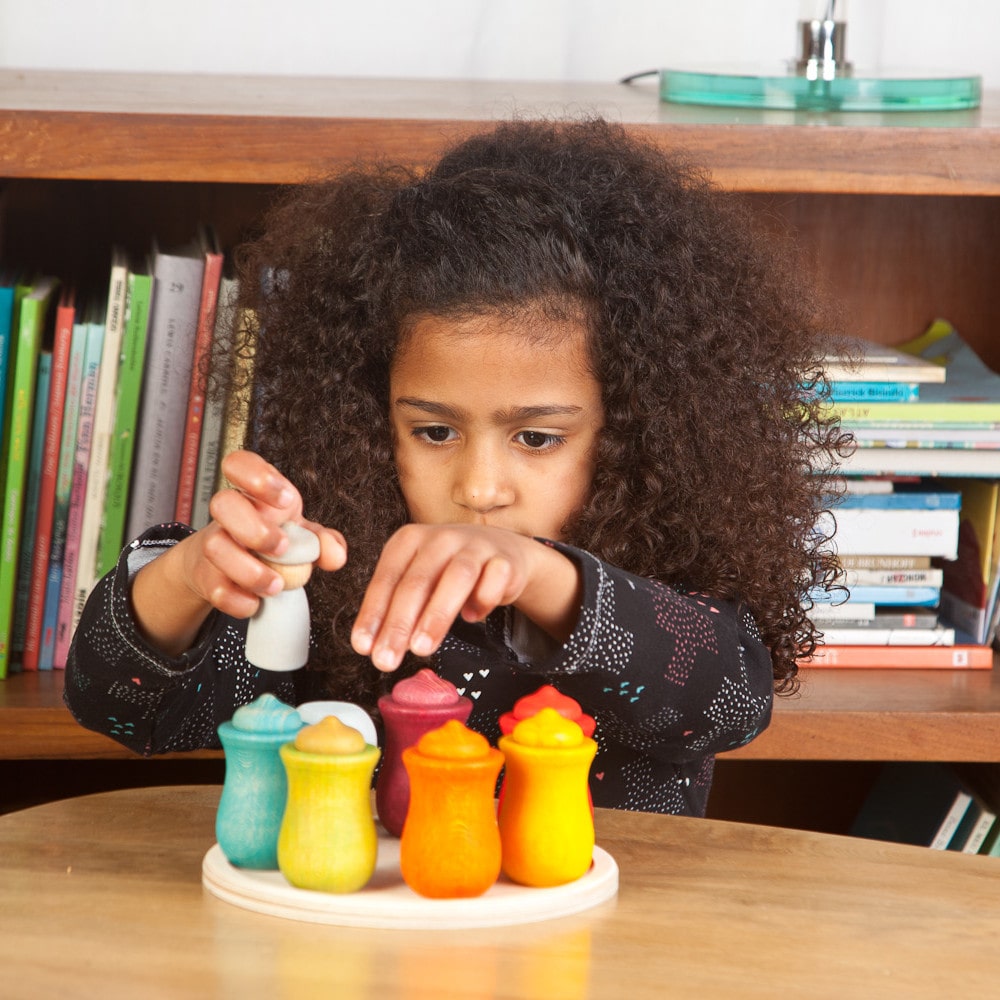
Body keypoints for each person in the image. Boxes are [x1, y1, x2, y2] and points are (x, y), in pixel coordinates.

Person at [64, 117, 847, 816]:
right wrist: (196, 576)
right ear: (374, 419)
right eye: (435, 432)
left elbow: (730, 702)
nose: (478, 489)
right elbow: (123, 712)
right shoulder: (332, 568)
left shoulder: (666, 600)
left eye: (537, 439)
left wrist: (540, 576)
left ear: (636, 430)